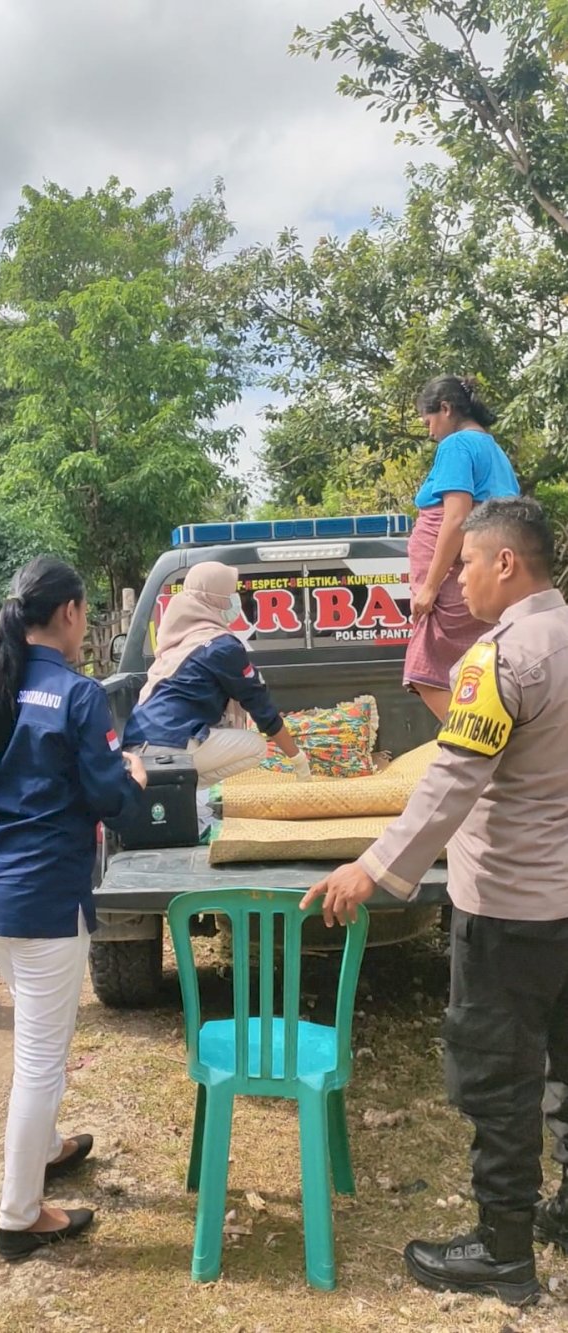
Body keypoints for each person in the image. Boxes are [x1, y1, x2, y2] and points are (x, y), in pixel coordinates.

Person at [301, 498, 568, 1305]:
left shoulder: (502, 657)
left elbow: (454, 775)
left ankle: (502, 1251)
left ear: (505, 564)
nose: (456, 581)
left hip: (513, 908)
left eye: (465, 564)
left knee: (499, 1076)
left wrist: (376, 866)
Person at [0, 557, 146, 1262]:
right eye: (85, 613)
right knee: (39, 1056)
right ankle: (19, 1215)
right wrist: (130, 775)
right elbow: (110, 795)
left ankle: (48, 1147)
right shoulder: (79, 694)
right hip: (46, 901)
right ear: (69, 613)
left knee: (37, 1029)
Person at [123, 562, 311, 790]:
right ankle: (180, 788)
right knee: (256, 747)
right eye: (230, 594)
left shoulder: (180, 639)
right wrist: (298, 759)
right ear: (214, 598)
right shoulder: (221, 647)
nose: (236, 602)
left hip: (136, 745)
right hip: (172, 744)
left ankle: (178, 790)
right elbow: (262, 711)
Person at [404, 374, 519, 720]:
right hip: (485, 570)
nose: (429, 432)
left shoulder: (456, 446)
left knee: (426, 672)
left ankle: (473, 749)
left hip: (453, 584)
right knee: (479, 670)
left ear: (446, 408)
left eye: (429, 421)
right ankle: (492, 751)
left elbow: (455, 517)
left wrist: (430, 586)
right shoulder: (493, 448)